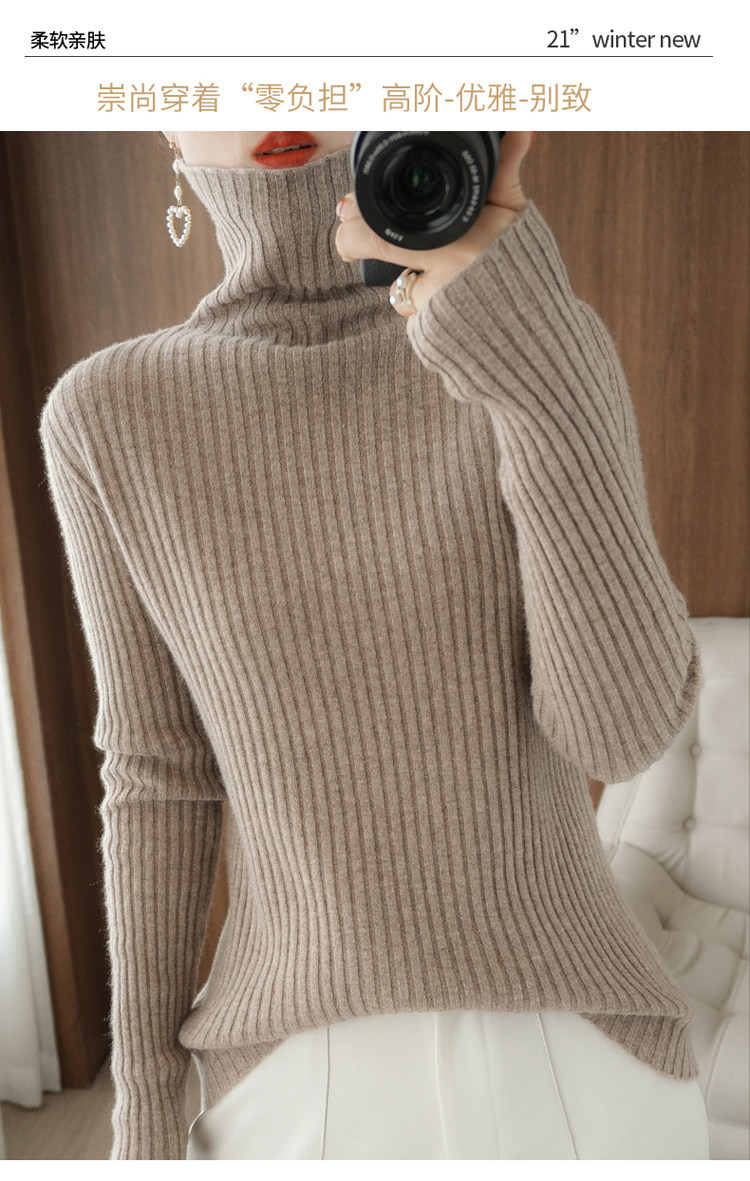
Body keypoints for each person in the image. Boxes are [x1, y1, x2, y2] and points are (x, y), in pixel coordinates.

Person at [38, 128, 710, 1160]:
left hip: (581, 1064)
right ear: (164, 116)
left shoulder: (520, 336)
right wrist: (144, 1101)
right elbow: (157, 773)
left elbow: (620, 733)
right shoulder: (106, 414)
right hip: (288, 1090)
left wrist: (534, 351)